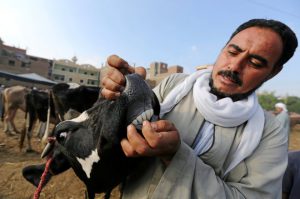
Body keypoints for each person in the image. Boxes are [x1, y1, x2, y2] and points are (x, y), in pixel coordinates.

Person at [101, 19, 298, 199]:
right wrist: (125, 95)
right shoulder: (174, 86)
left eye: (255, 63)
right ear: (222, 48)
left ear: (272, 73)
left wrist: (175, 156)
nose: (235, 66)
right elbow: (120, 135)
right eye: (233, 52)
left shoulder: (269, 133)